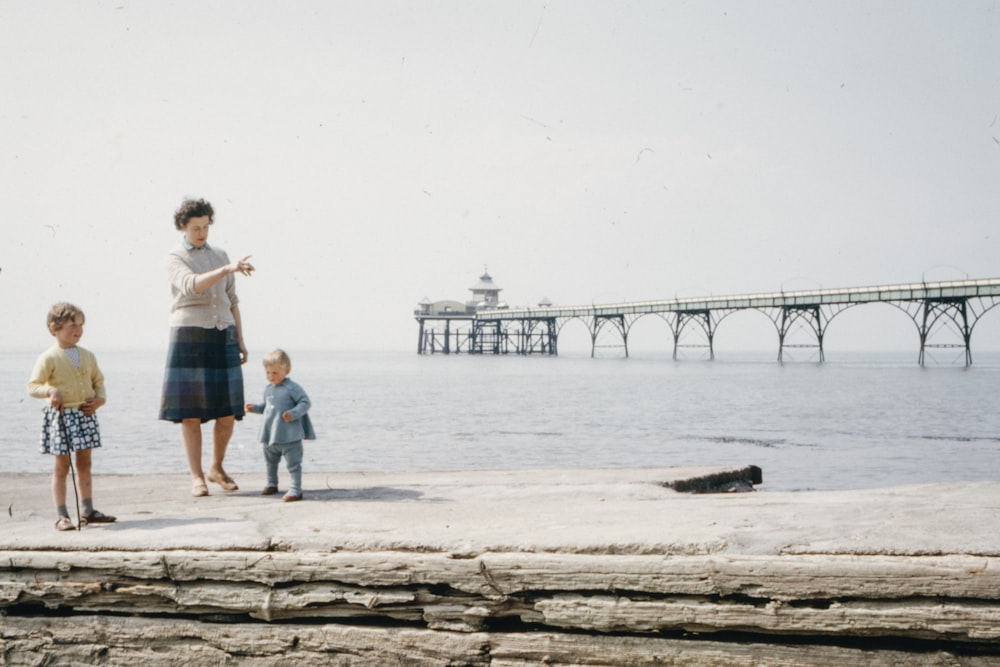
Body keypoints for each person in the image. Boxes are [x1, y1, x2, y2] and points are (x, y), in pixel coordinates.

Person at [159, 198, 255, 497]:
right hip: (189, 333)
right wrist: (227, 269)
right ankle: (197, 477)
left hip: (222, 332)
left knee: (228, 410)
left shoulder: (221, 255)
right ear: (183, 227)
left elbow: (233, 301)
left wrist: (240, 339)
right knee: (190, 414)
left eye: (205, 227)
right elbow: (192, 285)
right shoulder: (175, 257)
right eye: (195, 228)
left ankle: (216, 467)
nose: (201, 233)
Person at [27, 303, 117, 531]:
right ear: (54, 328)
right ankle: (62, 515)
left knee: (85, 463)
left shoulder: (88, 355)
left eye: (81, 325)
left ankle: (87, 510)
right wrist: (50, 391)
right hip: (62, 417)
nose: (78, 329)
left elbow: (99, 382)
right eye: (72, 325)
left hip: (85, 415)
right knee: (62, 467)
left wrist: (100, 399)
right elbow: (33, 386)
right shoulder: (48, 358)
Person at [245, 349, 316, 502]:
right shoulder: (268, 388)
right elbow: (267, 407)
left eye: (275, 372)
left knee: (293, 464)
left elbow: (305, 402)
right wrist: (255, 408)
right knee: (270, 461)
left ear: (286, 370)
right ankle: (272, 483)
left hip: (289, 435)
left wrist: (293, 413)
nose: (271, 376)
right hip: (270, 435)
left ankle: (295, 490)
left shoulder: (292, 387)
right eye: (268, 372)